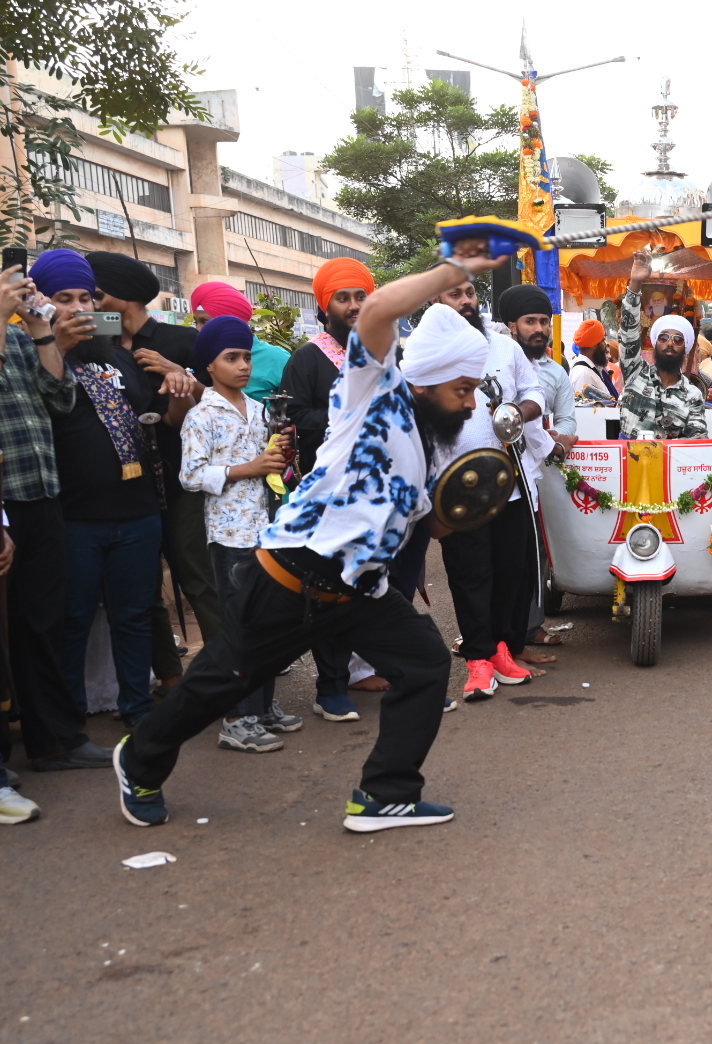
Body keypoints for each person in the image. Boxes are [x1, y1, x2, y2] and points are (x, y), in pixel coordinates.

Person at [112, 240, 507, 831]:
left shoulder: (424, 446)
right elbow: (374, 315)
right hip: (293, 574)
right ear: (425, 379)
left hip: (358, 589)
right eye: (463, 389)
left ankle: (384, 794)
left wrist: (472, 510)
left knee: (425, 663)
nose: (470, 401)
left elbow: (428, 524)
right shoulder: (373, 393)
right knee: (224, 682)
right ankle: (140, 761)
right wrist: (453, 271)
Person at [48, 250, 190, 737]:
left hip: (137, 513)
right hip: (75, 517)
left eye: (86, 297)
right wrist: (55, 347)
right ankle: (66, 727)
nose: (79, 307)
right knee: (75, 620)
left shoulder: (118, 358)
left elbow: (159, 419)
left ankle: (137, 708)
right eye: (63, 298)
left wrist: (180, 393)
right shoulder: (36, 357)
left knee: (133, 617)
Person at [0, 253, 114, 779]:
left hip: (40, 494)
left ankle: (54, 741)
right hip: (4, 504)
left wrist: (42, 329)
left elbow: (59, 395)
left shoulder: (27, 339)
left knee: (42, 621)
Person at [88, 252, 216, 696]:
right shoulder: (94, 345)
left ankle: (227, 677)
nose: (91, 302)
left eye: (97, 293)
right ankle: (171, 675)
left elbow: (221, 407)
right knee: (142, 586)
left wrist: (185, 379)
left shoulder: (180, 340)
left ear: (121, 294)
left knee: (197, 575)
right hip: (125, 485)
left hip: (182, 478)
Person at [433, 276, 554, 701]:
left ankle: (503, 649)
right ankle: (478, 660)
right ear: (437, 301)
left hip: (511, 480)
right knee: (470, 575)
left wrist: (518, 411)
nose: (466, 300)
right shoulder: (424, 351)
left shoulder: (505, 347)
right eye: (455, 294)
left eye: (470, 292)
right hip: (456, 487)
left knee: (510, 572)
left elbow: (534, 389)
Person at [179, 315, 297, 751]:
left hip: (267, 530)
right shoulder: (201, 416)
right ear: (209, 365)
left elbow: (273, 465)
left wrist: (282, 453)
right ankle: (236, 718)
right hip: (232, 536)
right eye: (232, 357)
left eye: (246, 356)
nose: (244, 365)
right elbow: (190, 476)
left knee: (268, 622)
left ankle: (262, 706)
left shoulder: (260, 409)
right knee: (241, 625)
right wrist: (248, 468)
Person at [276, 256, 380, 720]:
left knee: (380, 586)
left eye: (361, 296)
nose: (354, 305)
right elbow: (293, 418)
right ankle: (332, 686)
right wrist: (349, 416)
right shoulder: (308, 358)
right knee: (332, 590)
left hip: (380, 490)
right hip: (330, 493)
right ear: (326, 306)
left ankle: (385, 668)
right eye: (344, 298)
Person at [496, 284, 578, 651]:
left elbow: (568, 420)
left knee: (534, 552)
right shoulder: (493, 357)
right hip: (492, 469)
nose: (539, 329)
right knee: (490, 555)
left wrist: (558, 440)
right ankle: (486, 634)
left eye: (544, 321)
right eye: (531, 321)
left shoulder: (556, 372)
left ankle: (529, 629)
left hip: (536, 471)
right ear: (511, 325)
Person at [615, 252, 709, 439]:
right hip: (630, 462)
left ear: (685, 348)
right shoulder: (636, 373)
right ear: (656, 342)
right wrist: (635, 284)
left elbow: (697, 440)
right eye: (664, 337)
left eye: (678, 340)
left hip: (670, 465)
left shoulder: (692, 394)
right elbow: (628, 334)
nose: (670, 343)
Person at [190, 281, 290, 403]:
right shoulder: (197, 356)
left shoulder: (276, 358)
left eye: (205, 322)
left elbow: (297, 407)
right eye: (196, 322)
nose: (198, 330)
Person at [569, 319, 617, 402]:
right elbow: (586, 411)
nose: (605, 346)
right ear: (593, 345)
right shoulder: (584, 374)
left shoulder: (592, 369)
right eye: (602, 341)